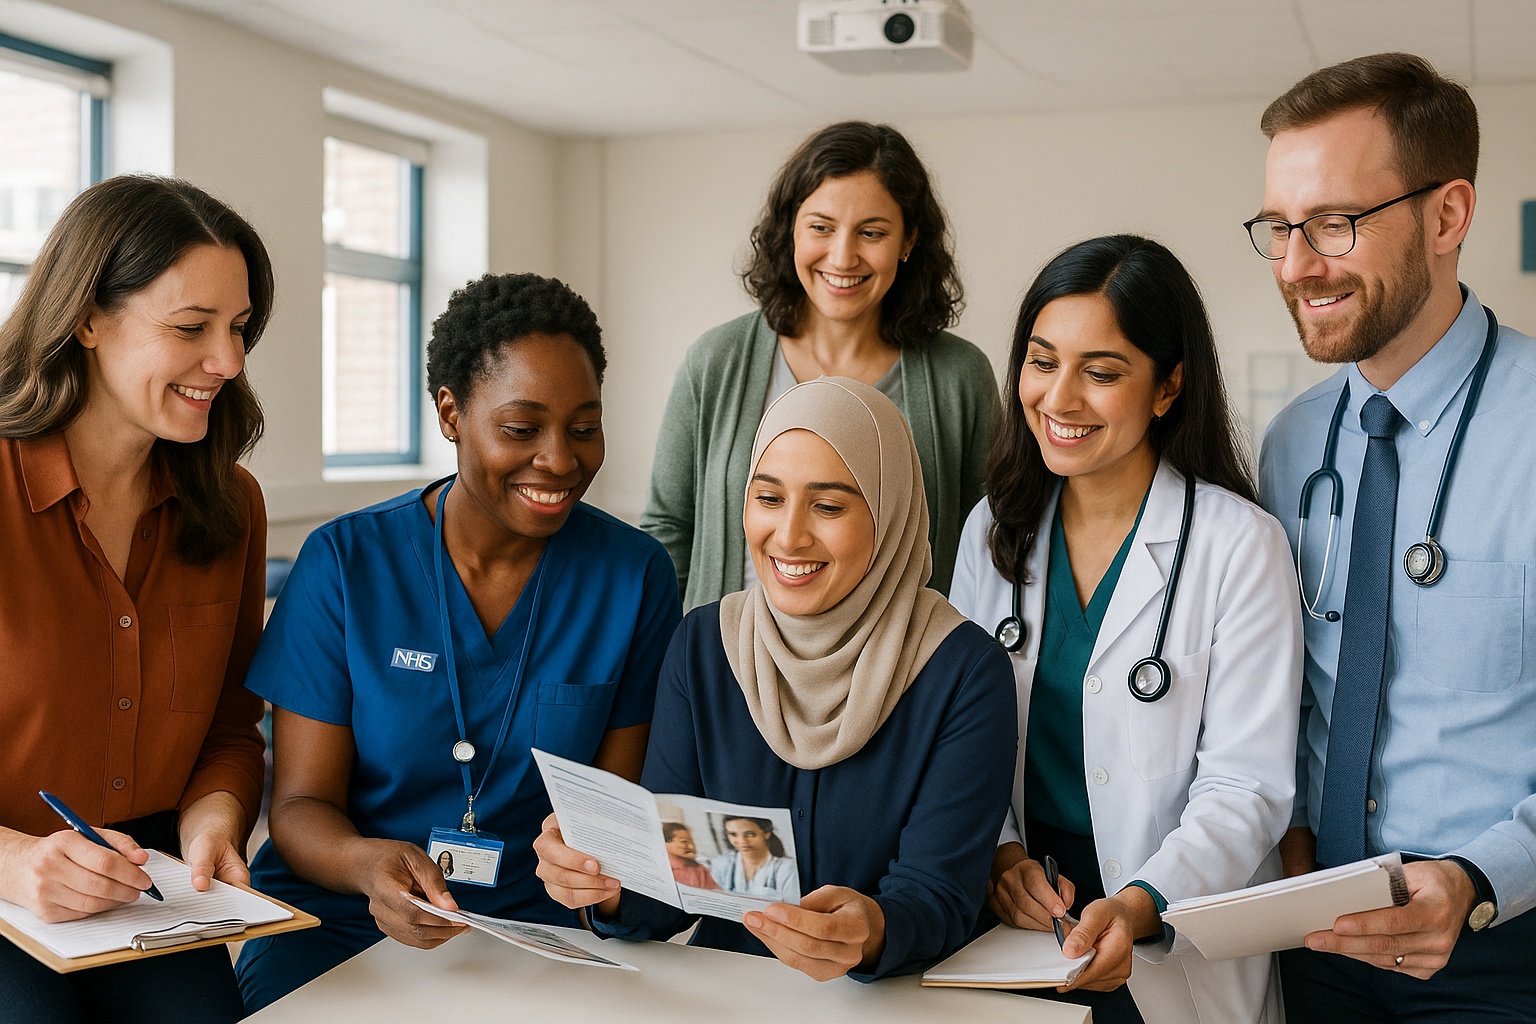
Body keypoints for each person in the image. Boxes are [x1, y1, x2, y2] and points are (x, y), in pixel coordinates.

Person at [234, 273, 682, 1012]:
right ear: (451, 413)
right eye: (521, 428)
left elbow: (613, 810)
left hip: (536, 930)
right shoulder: (347, 563)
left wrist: (592, 867)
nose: (560, 460)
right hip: (345, 919)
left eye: (583, 426)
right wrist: (366, 864)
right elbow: (302, 804)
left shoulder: (633, 577)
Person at [537, 377, 1016, 981]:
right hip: (735, 997)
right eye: (768, 498)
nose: (788, 536)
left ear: (890, 512)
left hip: (897, 1005)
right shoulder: (706, 649)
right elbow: (683, 879)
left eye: (829, 505)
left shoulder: (962, 672)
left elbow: (937, 898)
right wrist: (602, 881)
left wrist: (872, 931)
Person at [949, 235, 1303, 1024]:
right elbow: (959, 735)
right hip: (1023, 925)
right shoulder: (992, 531)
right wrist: (1002, 857)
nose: (1059, 398)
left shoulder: (1238, 544)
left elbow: (1246, 785)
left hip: (1174, 927)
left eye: (1101, 373)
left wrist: (1144, 902)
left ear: (1169, 386)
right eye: (1042, 362)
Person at [1252, 53, 1536, 1020]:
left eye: (1335, 223)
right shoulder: (1293, 445)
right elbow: (1282, 692)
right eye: (1281, 229)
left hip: (1500, 943)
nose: (1297, 265)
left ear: (1448, 216)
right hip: (1312, 937)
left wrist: (1478, 878)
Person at [0, 174, 272, 1022]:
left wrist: (213, 823)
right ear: (86, 318)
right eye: (192, 328)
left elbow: (231, 724)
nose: (227, 362)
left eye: (238, 329)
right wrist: (11, 863)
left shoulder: (230, 505)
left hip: (145, 883)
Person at [641, 121, 999, 609]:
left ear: (909, 240)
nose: (843, 256)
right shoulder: (715, 361)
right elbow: (668, 531)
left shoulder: (959, 376)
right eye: (821, 227)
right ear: (792, 228)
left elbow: (990, 542)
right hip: (730, 671)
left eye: (871, 232)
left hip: (904, 674)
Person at [705, 816, 798, 901]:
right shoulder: (721, 863)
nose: (742, 841)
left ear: (766, 833)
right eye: (733, 834)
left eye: (750, 834)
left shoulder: (786, 868)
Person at [662, 824, 718, 891]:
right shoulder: (662, 868)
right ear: (666, 843)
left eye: (692, 843)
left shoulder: (700, 870)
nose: (691, 847)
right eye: (684, 842)